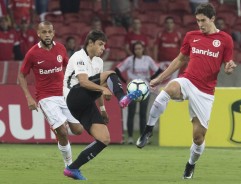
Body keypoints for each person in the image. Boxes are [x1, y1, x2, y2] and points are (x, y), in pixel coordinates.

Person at [136, 3, 237, 179]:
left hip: (205, 92)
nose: (200, 24)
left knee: (198, 138)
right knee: (166, 91)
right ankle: (148, 129)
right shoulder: (191, 36)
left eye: (203, 20)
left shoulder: (225, 39)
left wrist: (229, 69)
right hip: (187, 81)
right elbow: (180, 59)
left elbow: (228, 64)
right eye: (197, 21)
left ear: (212, 19)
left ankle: (191, 164)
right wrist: (160, 78)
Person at [62, 29, 142, 180]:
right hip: (73, 96)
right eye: (100, 44)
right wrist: (103, 88)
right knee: (111, 74)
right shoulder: (79, 56)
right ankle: (122, 98)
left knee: (104, 138)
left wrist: (103, 109)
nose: (103, 48)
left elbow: (97, 86)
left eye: (104, 45)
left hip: (84, 103)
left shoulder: (99, 61)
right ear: (90, 43)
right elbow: (85, 82)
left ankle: (72, 168)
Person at [18, 21, 84, 167]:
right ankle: (69, 165)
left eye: (49, 32)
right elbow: (21, 75)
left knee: (78, 130)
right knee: (62, 131)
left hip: (63, 94)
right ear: (38, 34)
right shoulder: (32, 53)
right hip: (45, 97)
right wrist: (29, 97)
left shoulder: (60, 48)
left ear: (53, 33)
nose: (47, 35)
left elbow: (68, 67)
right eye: (44, 32)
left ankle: (56, 126)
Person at [115, 41, 162, 144]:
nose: (138, 51)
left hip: (145, 89)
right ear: (133, 50)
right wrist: (124, 80)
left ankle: (143, 137)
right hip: (132, 89)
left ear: (143, 49)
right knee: (131, 113)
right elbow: (117, 69)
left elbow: (159, 70)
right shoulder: (129, 60)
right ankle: (130, 137)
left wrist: (151, 79)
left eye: (140, 48)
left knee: (143, 113)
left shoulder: (148, 59)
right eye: (136, 49)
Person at [154, 16, 182, 85]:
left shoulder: (178, 35)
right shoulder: (160, 34)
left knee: (173, 81)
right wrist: (155, 60)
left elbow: (182, 48)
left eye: (171, 23)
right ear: (165, 24)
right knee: (162, 80)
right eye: (167, 23)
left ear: (173, 24)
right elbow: (156, 47)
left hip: (174, 62)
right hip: (162, 62)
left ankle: (172, 95)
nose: (169, 24)